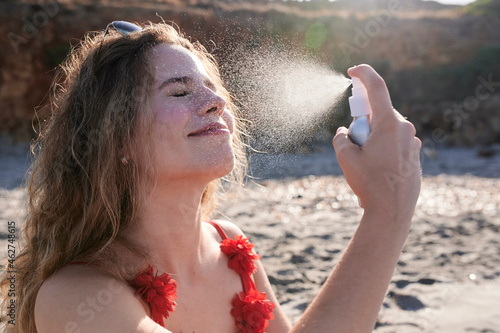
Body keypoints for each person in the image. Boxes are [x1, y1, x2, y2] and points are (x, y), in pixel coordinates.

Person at [0, 21, 421, 333]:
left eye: (212, 87)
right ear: (116, 139)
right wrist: (386, 209)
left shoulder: (229, 247)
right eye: (180, 92)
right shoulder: (77, 297)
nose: (216, 101)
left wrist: (388, 207)